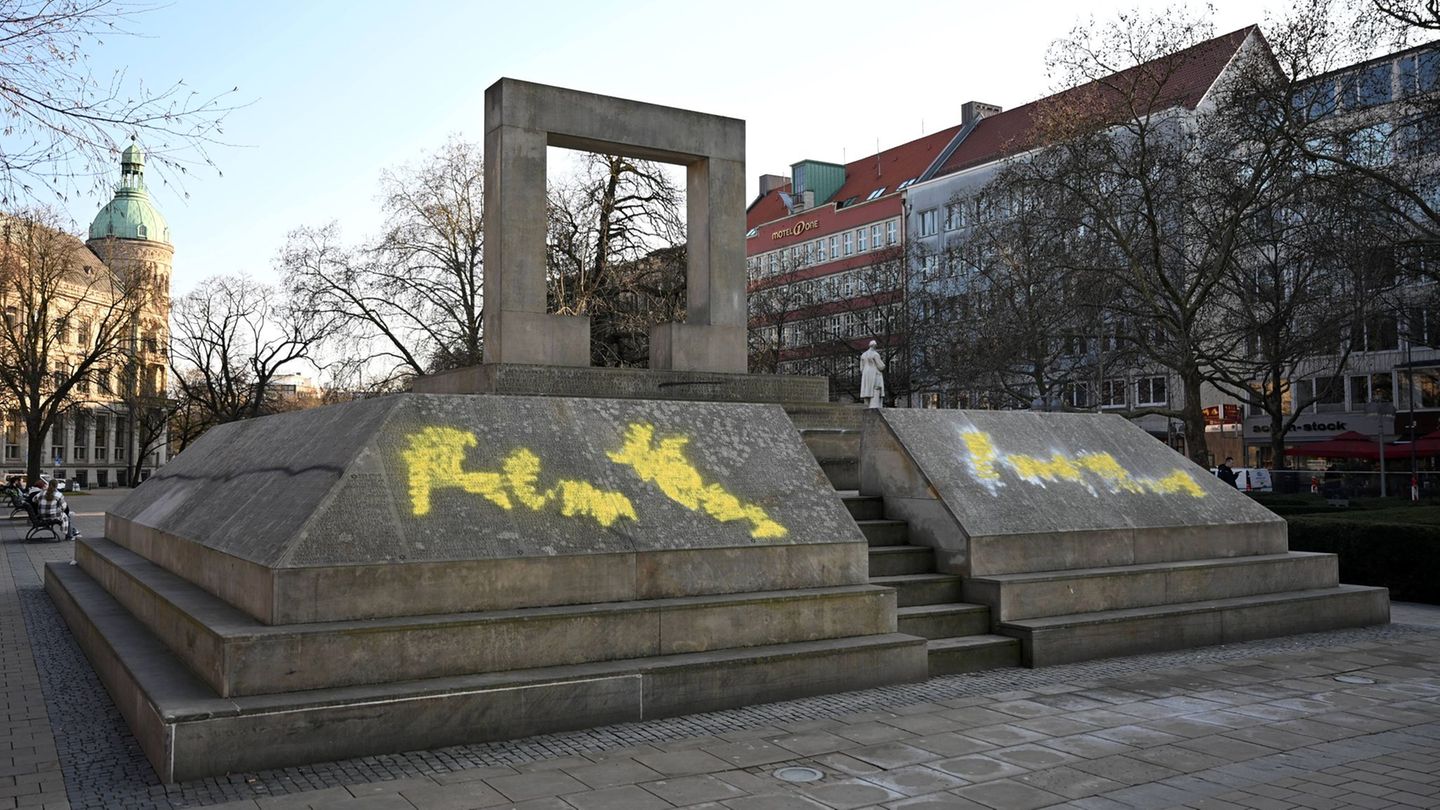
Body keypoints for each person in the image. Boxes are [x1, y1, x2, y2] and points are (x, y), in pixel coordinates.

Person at [860, 340, 886, 409]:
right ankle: (875, 405)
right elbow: (881, 366)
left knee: (867, 390)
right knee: (875, 388)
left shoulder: (863, 355)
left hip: (865, 373)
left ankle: (867, 406)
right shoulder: (875, 354)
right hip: (874, 372)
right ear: (875, 346)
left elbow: (861, 368)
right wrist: (884, 366)